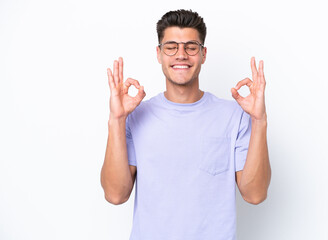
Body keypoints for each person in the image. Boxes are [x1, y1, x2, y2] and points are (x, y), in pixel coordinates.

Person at [100, 9, 271, 240]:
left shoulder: (234, 116)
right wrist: (116, 120)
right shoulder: (136, 116)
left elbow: (255, 194)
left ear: (203, 54)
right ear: (159, 54)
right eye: (171, 46)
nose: (181, 54)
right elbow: (115, 194)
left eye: (191, 47)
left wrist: (259, 121)